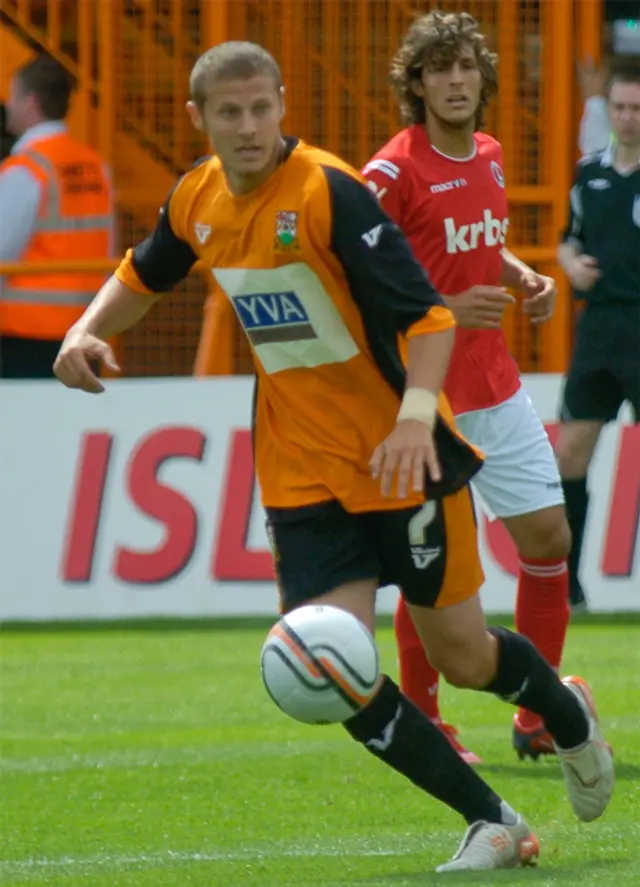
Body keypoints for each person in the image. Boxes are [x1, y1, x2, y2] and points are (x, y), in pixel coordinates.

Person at [53, 41, 613, 873]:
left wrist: (414, 422)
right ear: (199, 119)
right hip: (301, 475)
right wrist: (85, 329)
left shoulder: (328, 192)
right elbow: (143, 272)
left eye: (261, 108)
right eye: (230, 113)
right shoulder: (198, 197)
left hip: (401, 459)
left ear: (283, 104)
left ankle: (567, 716)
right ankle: (493, 820)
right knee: (330, 665)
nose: (249, 127)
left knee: (464, 657)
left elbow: (428, 321)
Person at [362, 10, 572, 764]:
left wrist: (520, 275)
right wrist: (447, 307)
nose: (455, 81)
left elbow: (478, 240)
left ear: (483, 79)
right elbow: (355, 284)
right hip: (424, 399)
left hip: (495, 384)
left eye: (466, 67)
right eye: (439, 69)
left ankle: (537, 714)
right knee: (434, 574)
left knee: (549, 539)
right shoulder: (390, 173)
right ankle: (429, 723)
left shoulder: (489, 153)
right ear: (415, 84)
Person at [556, 65, 640, 609]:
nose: (628, 118)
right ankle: (567, 588)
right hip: (600, 328)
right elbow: (569, 237)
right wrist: (569, 263)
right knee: (569, 454)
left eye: (637, 109)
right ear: (608, 111)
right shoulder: (589, 174)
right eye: (620, 108)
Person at [0, 54, 114, 378]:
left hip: (27, 333)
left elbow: (2, 251)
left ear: (31, 102)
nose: (8, 105)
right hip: (86, 328)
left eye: (13, 95)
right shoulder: (95, 165)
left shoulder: (26, 169)